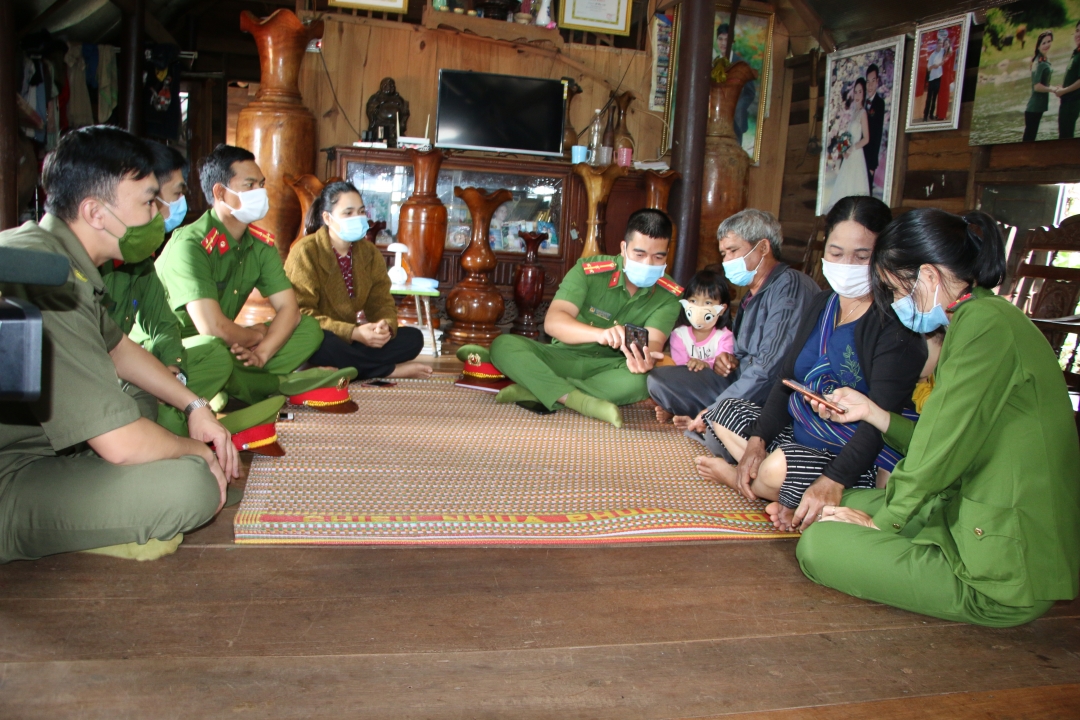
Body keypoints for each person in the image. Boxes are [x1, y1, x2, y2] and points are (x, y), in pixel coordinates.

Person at [796, 208, 1080, 628]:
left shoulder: (984, 327)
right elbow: (943, 437)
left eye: (896, 290)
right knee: (845, 503)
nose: (896, 303)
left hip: (1003, 571)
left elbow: (940, 449)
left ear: (928, 276)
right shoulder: (979, 316)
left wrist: (881, 524)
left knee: (818, 544)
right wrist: (873, 412)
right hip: (968, 509)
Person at [0, 126, 238, 563]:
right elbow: (122, 445)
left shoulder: (55, 256)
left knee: (139, 393)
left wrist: (195, 407)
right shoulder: (47, 276)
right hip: (10, 475)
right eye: (148, 202)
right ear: (96, 213)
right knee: (190, 484)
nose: (157, 214)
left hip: (44, 446)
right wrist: (199, 451)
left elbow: (119, 348)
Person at [695, 197, 925, 531]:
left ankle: (748, 480)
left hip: (853, 450)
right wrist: (757, 443)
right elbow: (786, 379)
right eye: (836, 253)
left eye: (862, 256)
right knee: (723, 412)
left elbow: (880, 420)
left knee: (775, 469)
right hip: (803, 428)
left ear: (883, 255)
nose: (847, 264)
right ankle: (781, 486)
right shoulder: (823, 303)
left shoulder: (892, 322)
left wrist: (834, 479)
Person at [155, 144, 325, 407]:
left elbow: (289, 310)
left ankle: (231, 387)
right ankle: (272, 385)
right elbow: (211, 328)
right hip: (180, 350)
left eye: (261, 184)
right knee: (214, 350)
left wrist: (262, 353)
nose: (260, 192)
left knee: (309, 329)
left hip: (228, 345)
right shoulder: (191, 244)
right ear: (220, 192)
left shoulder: (260, 245)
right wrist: (255, 336)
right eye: (249, 185)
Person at [490, 209, 683, 428]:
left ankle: (539, 389)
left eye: (658, 257)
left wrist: (645, 359)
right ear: (623, 248)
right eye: (639, 254)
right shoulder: (589, 271)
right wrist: (600, 334)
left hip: (612, 368)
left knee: (645, 380)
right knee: (503, 345)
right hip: (563, 357)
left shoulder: (669, 294)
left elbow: (654, 341)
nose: (648, 264)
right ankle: (581, 401)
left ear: (667, 255)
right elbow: (553, 322)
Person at [648, 209, 819, 455]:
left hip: (772, 396)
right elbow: (742, 356)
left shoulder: (790, 286)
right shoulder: (752, 294)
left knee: (719, 436)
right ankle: (711, 421)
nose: (727, 260)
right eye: (724, 253)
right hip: (742, 382)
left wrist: (715, 408)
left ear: (763, 248)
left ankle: (713, 422)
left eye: (733, 251)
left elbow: (769, 368)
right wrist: (726, 360)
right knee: (659, 380)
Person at [100, 140, 233, 436]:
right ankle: (175, 419)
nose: (179, 204)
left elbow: (163, 325)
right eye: (175, 194)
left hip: (135, 366)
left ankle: (177, 412)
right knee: (167, 420)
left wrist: (173, 371)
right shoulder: (81, 262)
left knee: (215, 354)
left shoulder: (139, 258)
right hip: (102, 381)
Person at [284, 181, 429, 380]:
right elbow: (301, 315)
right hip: (319, 336)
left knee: (413, 339)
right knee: (323, 342)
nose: (358, 218)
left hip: (351, 341)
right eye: (348, 213)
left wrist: (383, 326)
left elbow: (381, 301)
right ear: (327, 218)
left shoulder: (369, 252)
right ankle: (388, 371)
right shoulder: (305, 252)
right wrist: (353, 333)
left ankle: (343, 368)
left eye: (361, 212)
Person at [668, 268, 734, 373]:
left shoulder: (725, 337)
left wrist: (706, 365)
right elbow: (680, 367)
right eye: (693, 301)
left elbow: (723, 364)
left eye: (708, 303)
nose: (699, 308)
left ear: (722, 310)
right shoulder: (679, 335)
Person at [827, 78, 871, 211]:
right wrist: (844, 148)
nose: (857, 95)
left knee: (854, 185)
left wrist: (852, 148)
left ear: (864, 93)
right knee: (844, 184)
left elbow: (866, 139)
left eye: (860, 92)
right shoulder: (853, 113)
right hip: (849, 155)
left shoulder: (863, 113)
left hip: (856, 154)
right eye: (855, 92)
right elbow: (848, 136)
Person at [1024, 31, 1056, 143]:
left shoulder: (1043, 59)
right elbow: (1037, 86)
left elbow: (1044, 83)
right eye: (1043, 43)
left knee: (1030, 139)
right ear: (1038, 46)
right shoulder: (1038, 63)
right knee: (1028, 141)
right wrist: (1052, 89)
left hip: (1037, 108)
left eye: (1049, 41)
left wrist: (1055, 87)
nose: (1047, 45)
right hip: (1033, 109)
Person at [1054, 21, 1080, 139]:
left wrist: (1064, 91)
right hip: (1067, 102)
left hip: (1071, 103)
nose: (1078, 34)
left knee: (1065, 139)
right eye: (1077, 31)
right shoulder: (1076, 53)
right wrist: (1063, 88)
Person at [862, 64, 886, 192]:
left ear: (877, 81)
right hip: (859, 155)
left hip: (869, 157)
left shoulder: (879, 104)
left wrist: (872, 164)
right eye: (868, 81)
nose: (870, 85)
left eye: (873, 81)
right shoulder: (862, 103)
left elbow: (877, 134)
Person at [922, 32, 947, 122]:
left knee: (934, 98)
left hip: (939, 77)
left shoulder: (943, 51)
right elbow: (928, 68)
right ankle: (925, 115)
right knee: (929, 98)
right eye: (939, 43)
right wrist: (934, 66)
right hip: (932, 79)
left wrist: (940, 64)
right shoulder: (932, 55)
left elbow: (948, 54)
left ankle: (931, 114)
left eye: (941, 43)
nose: (940, 45)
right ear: (936, 44)